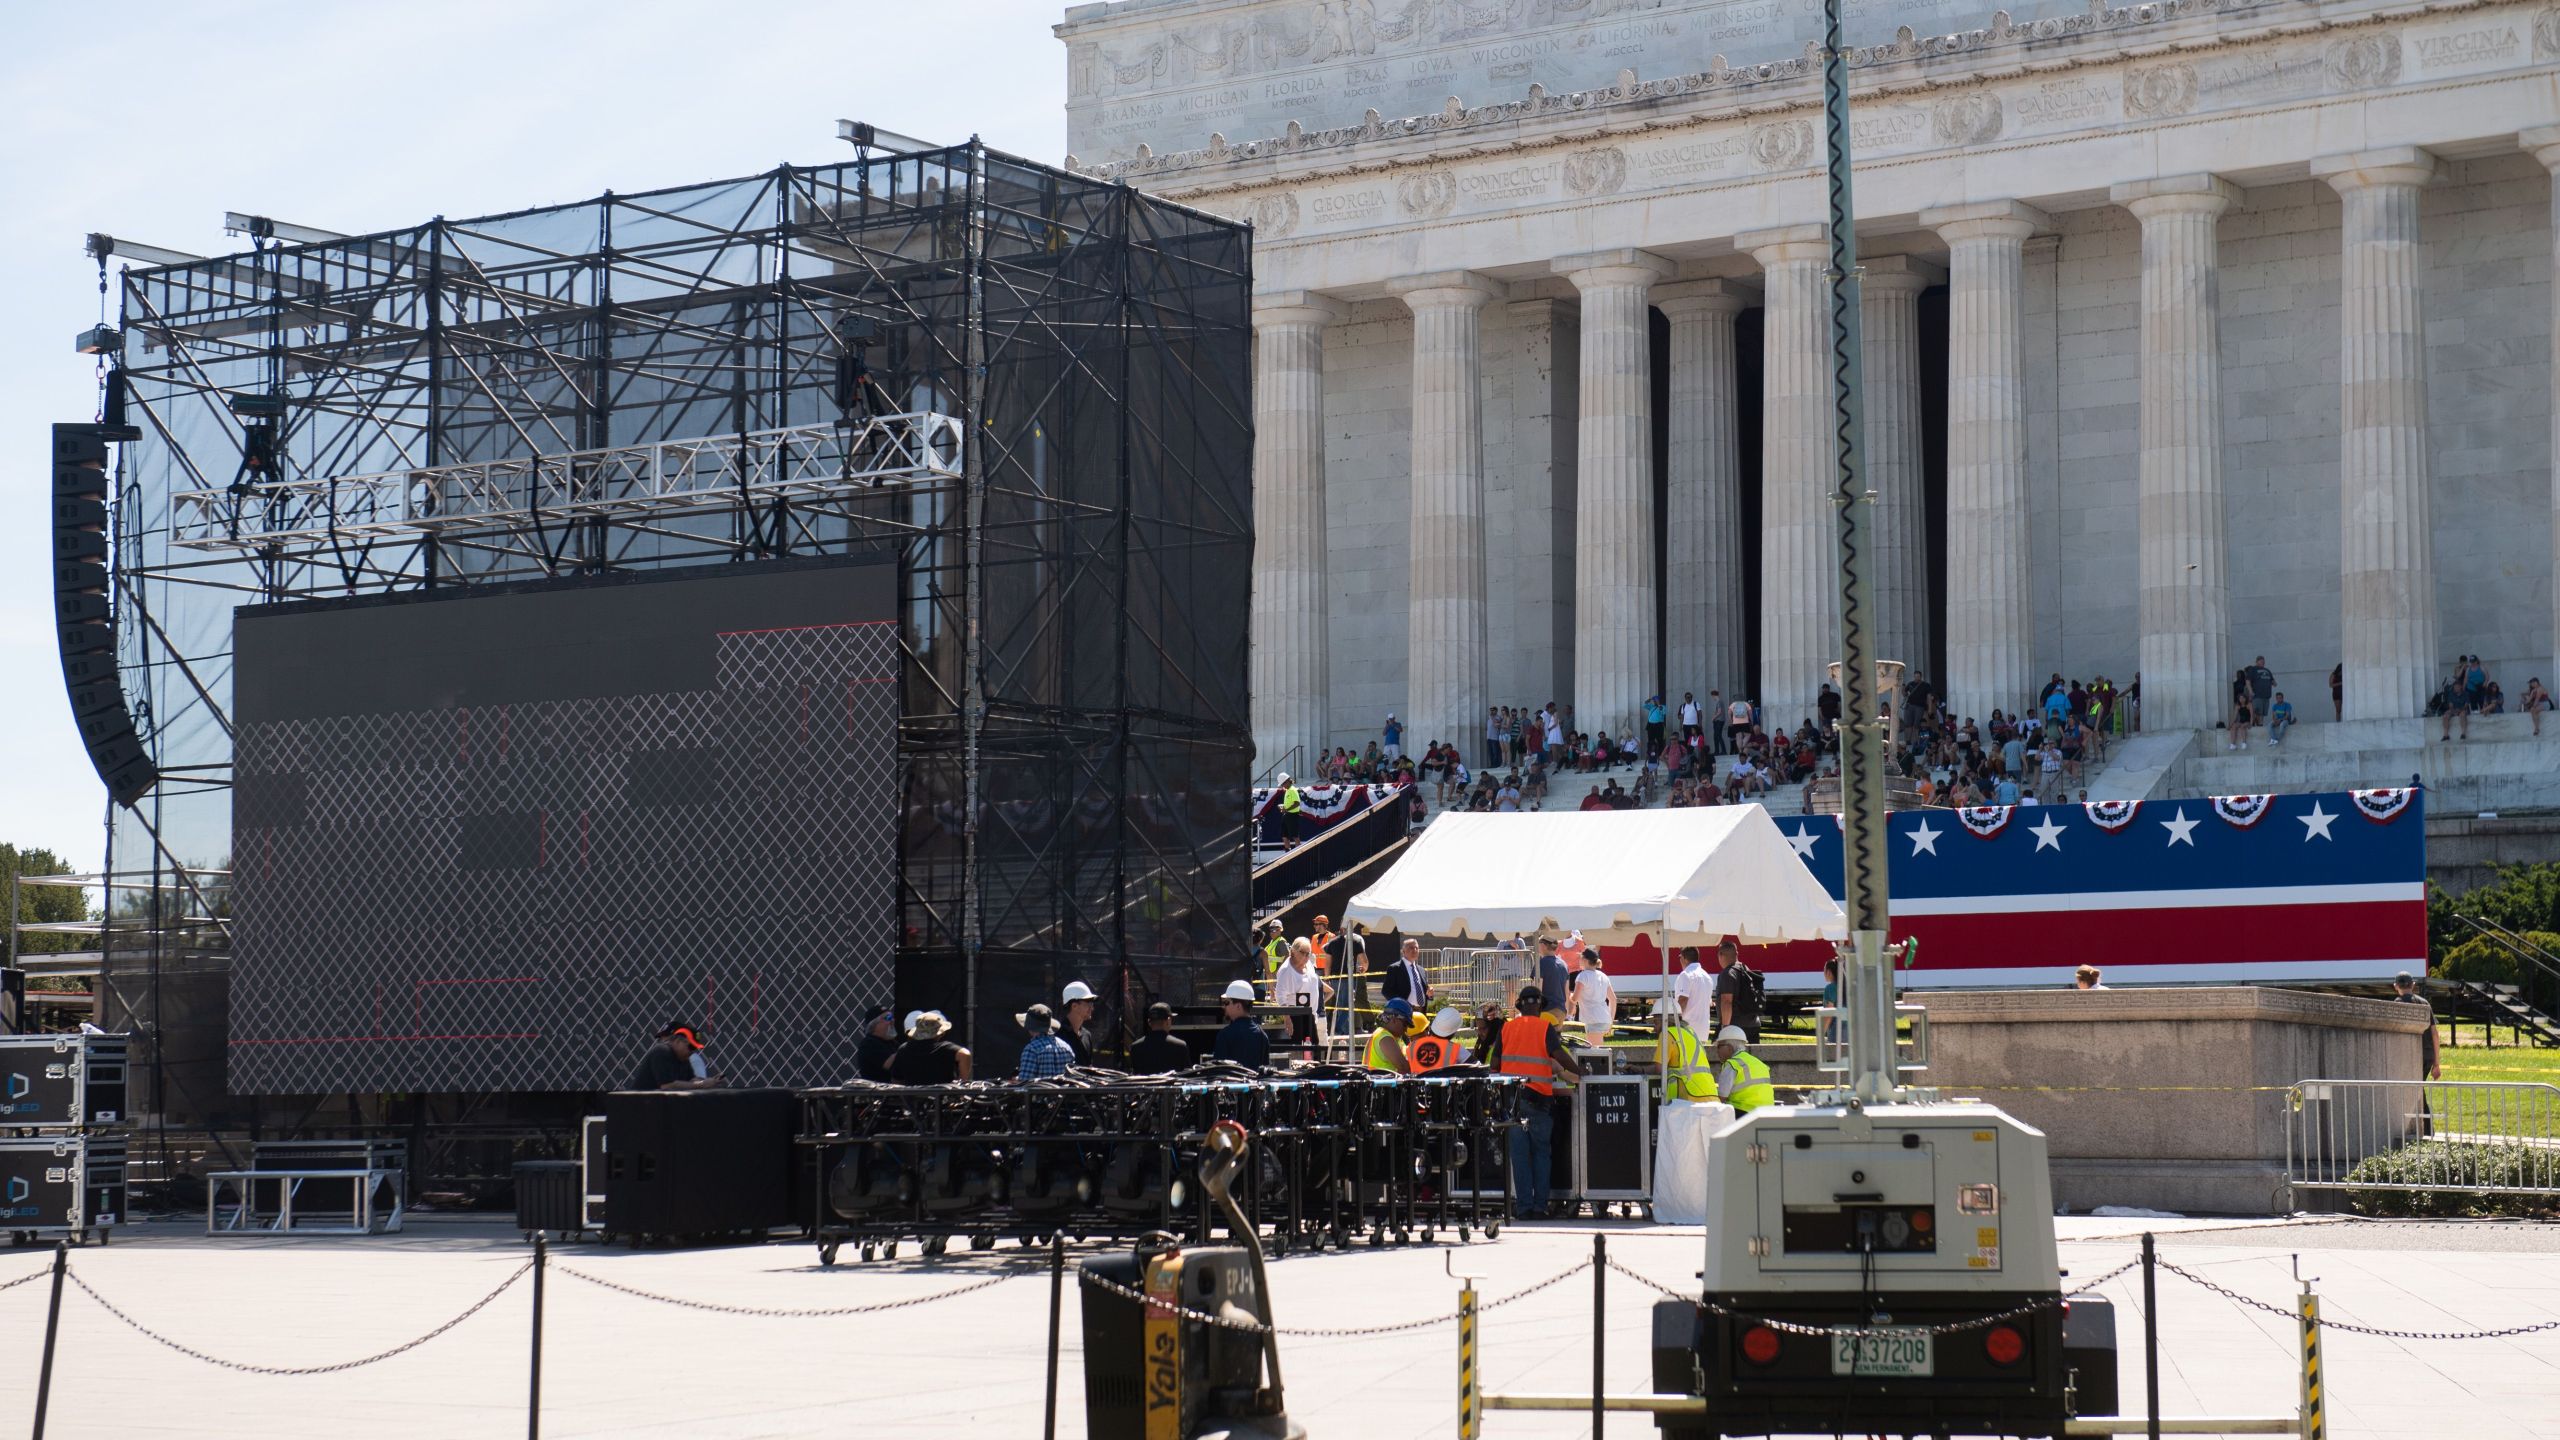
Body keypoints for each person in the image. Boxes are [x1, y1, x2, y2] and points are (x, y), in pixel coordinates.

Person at [1485, 985, 1585, 1220]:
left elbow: (1494, 1065)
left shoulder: (1507, 1028)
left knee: (1519, 1157)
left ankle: (1523, 1208)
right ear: (1539, 1005)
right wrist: (1579, 1071)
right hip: (1539, 1100)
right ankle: (1540, 1208)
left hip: (1512, 1101)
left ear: (1520, 1005)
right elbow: (1559, 1055)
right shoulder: (1544, 1027)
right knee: (1541, 1154)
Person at [1271, 938, 1327, 1053]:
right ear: (1293, 951)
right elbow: (1281, 996)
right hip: (1295, 1013)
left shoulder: (1309, 964)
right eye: (1303, 953)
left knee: (1313, 1048)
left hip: (1310, 1013)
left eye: (1308, 953)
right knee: (1297, 1050)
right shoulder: (1286, 970)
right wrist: (1287, 1018)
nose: (1306, 956)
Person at [627, 1021, 716, 1090]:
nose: (692, 1051)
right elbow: (667, 1086)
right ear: (677, 1041)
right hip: (641, 1107)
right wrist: (701, 1084)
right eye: (691, 1046)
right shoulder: (662, 1051)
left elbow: (691, 1080)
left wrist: (711, 1082)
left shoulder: (683, 1058)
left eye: (694, 1048)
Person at [888, 1011, 972, 1083]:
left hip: (911, 1100)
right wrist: (962, 1082)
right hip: (942, 1099)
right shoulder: (947, 1049)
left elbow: (896, 1080)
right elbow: (965, 1054)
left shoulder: (903, 1049)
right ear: (941, 1033)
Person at [1713, 1025, 1774, 1113]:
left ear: (1729, 1047)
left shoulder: (1732, 1064)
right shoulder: (1756, 1062)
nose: (1717, 1050)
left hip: (1743, 1112)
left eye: (1719, 1046)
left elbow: (1721, 1098)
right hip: (1766, 1112)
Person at [1713, 937, 1763, 1043]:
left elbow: (1727, 1001)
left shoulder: (1728, 973)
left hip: (1735, 1026)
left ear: (1720, 955)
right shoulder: (1745, 969)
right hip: (1753, 1024)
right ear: (1737, 954)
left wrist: (1725, 1028)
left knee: (1715, 1056)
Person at [1212, 979, 1271, 1067]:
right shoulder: (1263, 1036)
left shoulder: (1224, 1035)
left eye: (1226, 1002)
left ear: (1238, 1006)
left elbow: (1219, 1071)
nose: (1224, 1006)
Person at [2394, 971, 2441, 1081]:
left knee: (2412, 1089)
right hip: (2427, 1055)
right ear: (2413, 985)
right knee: (2418, 1088)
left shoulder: (2397, 1004)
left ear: (2395, 986)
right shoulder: (2425, 1003)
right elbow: (2435, 1034)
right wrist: (2436, 1063)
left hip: (2408, 1054)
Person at [1127, 1001, 1193, 1075]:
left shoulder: (1135, 1047)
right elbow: (1188, 1074)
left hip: (1145, 1086)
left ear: (1149, 1022)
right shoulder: (1180, 1046)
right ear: (1168, 1021)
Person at [1016, 1004, 1076, 1081]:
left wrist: (1017, 1081)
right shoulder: (1067, 1048)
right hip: (1063, 1093)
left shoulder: (1032, 1049)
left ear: (1029, 1026)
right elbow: (1073, 1079)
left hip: (1039, 1093)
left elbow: (1024, 1084)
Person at [1573, 947, 1616, 1043]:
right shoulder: (1603, 976)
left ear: (1584, 960)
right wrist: (1611, 1021)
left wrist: (1567, 995)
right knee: (1596, 1051)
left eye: (1580, 958)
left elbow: (1574, 998)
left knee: (1595, 1052)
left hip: (1593, 1019)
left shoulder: (1582, 976)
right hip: (1604, 1018)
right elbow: (1613, 999)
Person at [1673, 945, 1717, 1035]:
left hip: (1687, 1028)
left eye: (1680, 957)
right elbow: (1709, 1003)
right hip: (1703, 1029)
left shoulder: (1685, 975)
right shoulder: (1707, 977)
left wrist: (1675, 1021)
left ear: (1684, 958)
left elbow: (1683, 1000)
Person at [1380, 937, 1431, 1009]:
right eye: (1411, 948)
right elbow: (1386, 991)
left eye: (1417, 948)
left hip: (1421, 1012)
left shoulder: (1421, 970)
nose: (1415, 950)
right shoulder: (1395, 968)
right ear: (1403, 951)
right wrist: (1400, 1004)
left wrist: (1430, 994)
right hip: (1403, 1012)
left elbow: (1425, 992)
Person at [1365, 998, 1415, 1073]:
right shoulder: (1384, 1037)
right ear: (1394, 1020)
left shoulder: (1393, 1037)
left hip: (1382, 1082)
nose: (1406, 1029)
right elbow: (1404, 1068)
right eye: (1405, 1024)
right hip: (1380, 1082)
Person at [853, 1006, 898, 1083]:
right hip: (878, 1093)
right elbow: (893, 1066)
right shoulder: (868, 1044)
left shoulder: (892, 1042)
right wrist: (908, 1047)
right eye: (888, 1018)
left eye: (892, 1017)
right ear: (874, 1024)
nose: (892, 1021)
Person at [1059, 979, 1099, 1065]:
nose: (1092, 1008)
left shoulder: (1087, 1035)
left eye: (1092, 1004)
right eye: (1088, 1003)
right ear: (1074, 1006)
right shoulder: (1058, 1035)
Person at [1534, 937, 1572, 1024]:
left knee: (1544, 1037)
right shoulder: (1564, 964)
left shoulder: (1540, 963)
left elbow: (1537, 989)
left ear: (1543, 945)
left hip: (1546, 1009)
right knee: (1556, 1036)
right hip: (1561, 1010)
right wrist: (1566, 1010)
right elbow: (1566, 991)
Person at [1278, 772, 1306, 847]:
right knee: (1284, 835)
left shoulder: (1292, 790)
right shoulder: (1288, 790)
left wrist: (1286, 809)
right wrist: (1284, 807)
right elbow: (1291, 803)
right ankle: (1287, 853)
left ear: (1287, 781)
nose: (1282, 786)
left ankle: (1299, 854)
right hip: (1287, 815)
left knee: (1295, 836)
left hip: (1292, 815)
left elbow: (1297, 803)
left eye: (1282, 784)